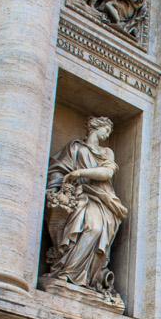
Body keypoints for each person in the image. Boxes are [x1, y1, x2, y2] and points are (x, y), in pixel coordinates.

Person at [43, 116, 128, 294]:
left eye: (110, 132)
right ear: (96, 128)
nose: (107, 134)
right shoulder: (74, 148)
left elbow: (106, 173)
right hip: (79, 195)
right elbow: (58, 169)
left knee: (96, 229)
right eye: (106, 130)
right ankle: (67, 273)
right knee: (80, 229)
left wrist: (80, 172)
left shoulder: (106, 152)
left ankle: (85, 276)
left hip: (102, 199)